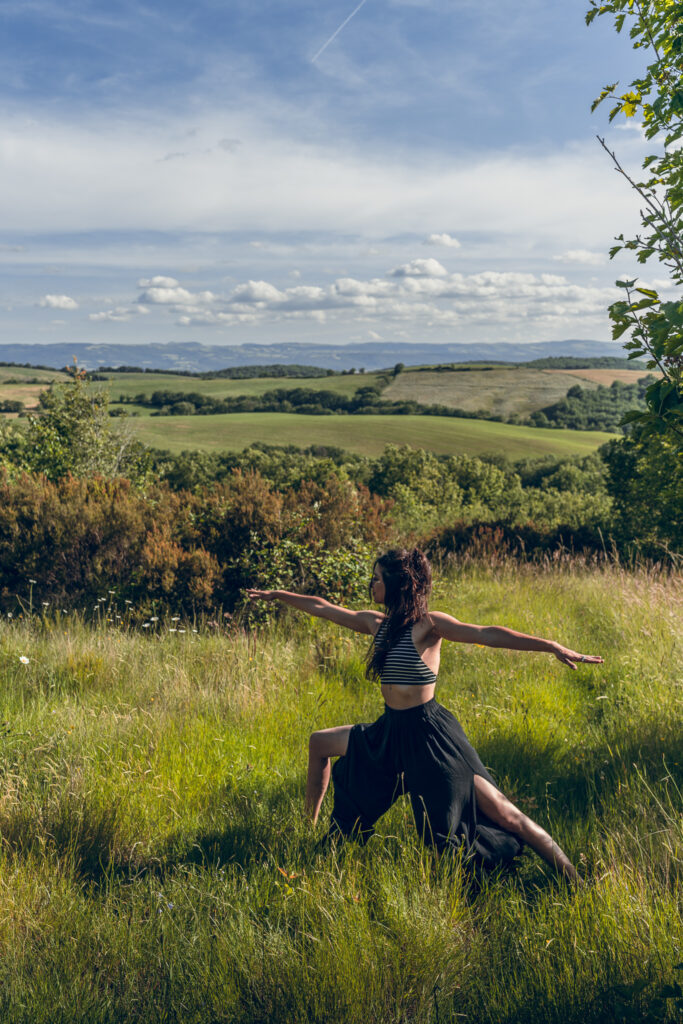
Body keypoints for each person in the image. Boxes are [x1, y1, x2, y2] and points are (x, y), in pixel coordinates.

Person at [246, 548, 603, 881]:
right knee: (319, 743)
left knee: (506, 815)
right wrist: (279, 595)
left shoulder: (430, 625)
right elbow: (323, 607)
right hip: (390, 733)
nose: (371, 584)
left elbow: (487, 634)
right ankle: (308, 830)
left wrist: (550, 646)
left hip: (431, 736)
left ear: (396, 584)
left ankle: (574, 881)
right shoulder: (378, 624)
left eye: (377, 578)